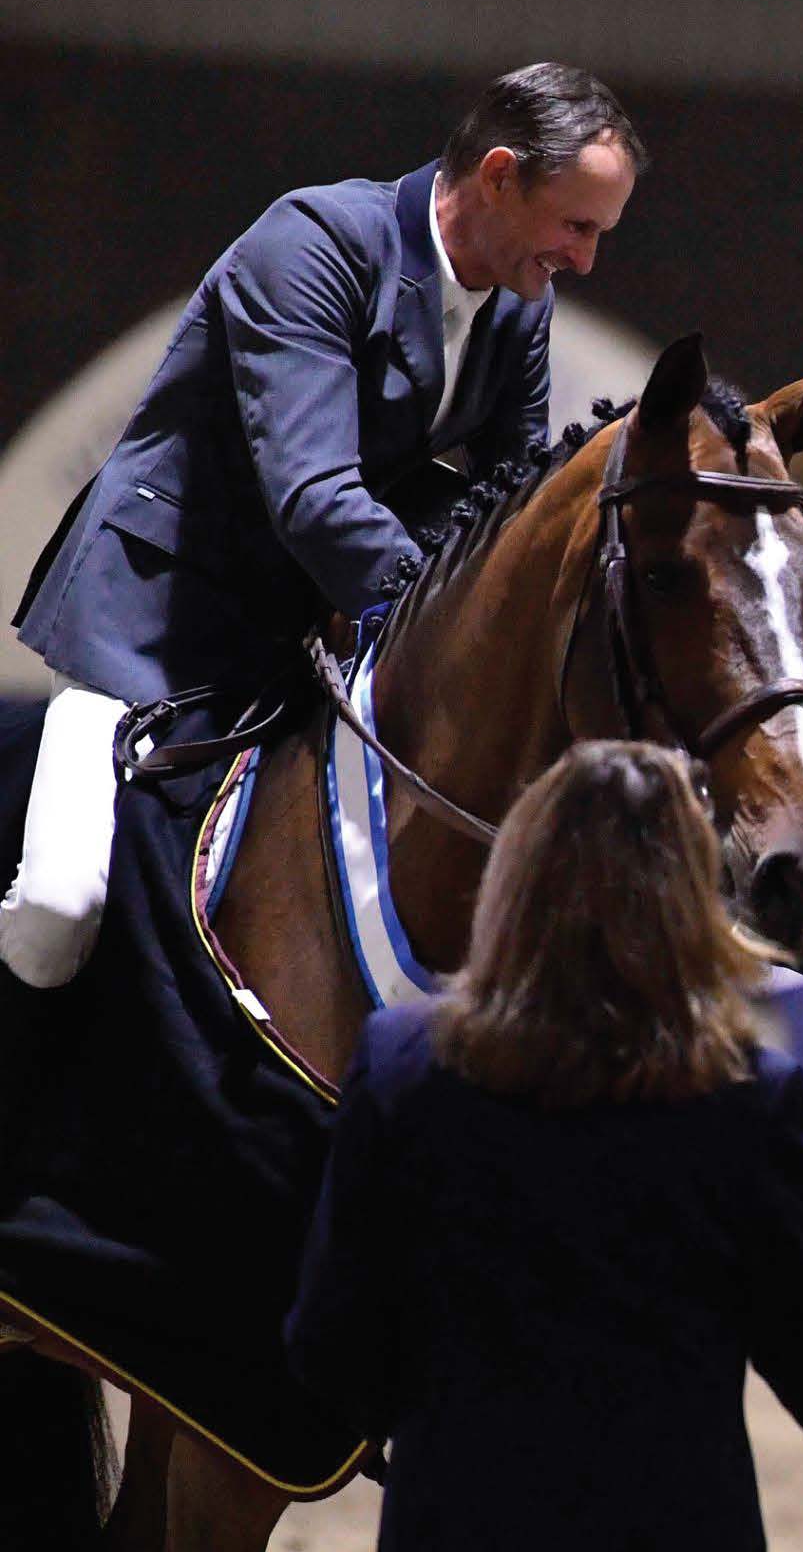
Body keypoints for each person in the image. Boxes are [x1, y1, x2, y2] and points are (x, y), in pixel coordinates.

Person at [285, 740, 803, 1552]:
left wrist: (429, 1419)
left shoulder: (402, 1067)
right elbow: (793, 1314)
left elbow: (330, 1336)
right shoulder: (742, 1095)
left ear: (516, 876)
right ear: (687, 893)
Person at [2, 62, 644, 988]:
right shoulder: (315, 242)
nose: (584, 258)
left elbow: (509, 508)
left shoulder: (519, 303)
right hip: (162, 618)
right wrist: (452, 628)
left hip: (305, 634)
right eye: (576, 226)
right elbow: (311, 494)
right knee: (60, 910)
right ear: (500, 175)